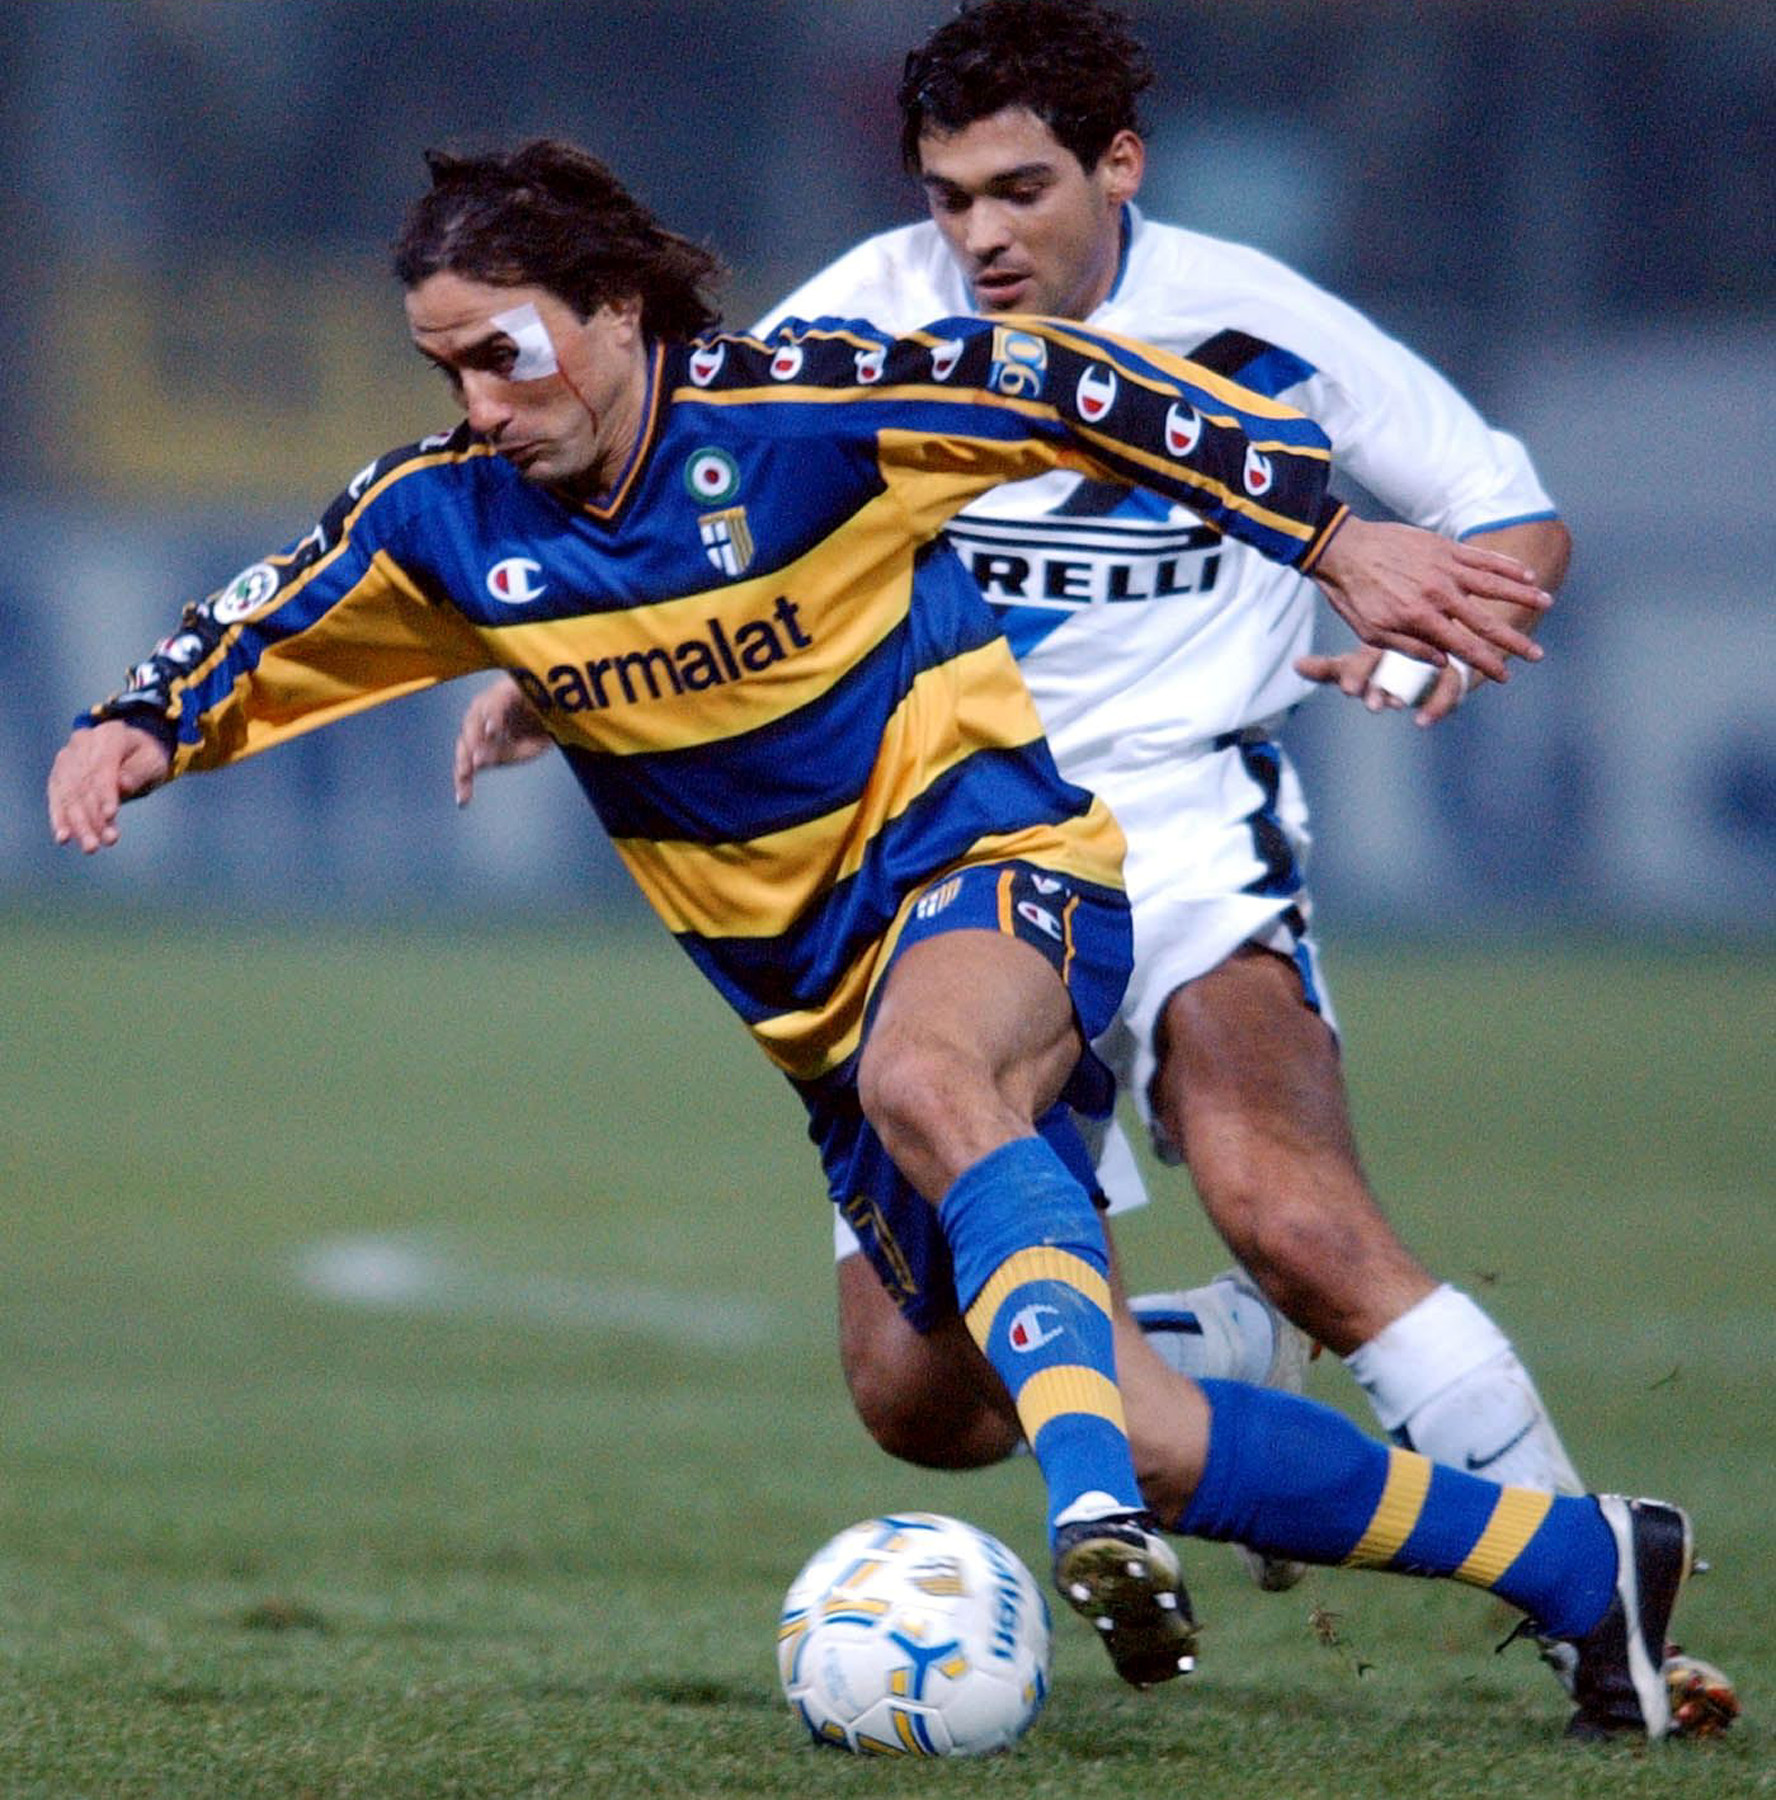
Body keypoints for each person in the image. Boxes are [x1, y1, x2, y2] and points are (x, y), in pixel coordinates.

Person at [50, 137, 1699, 1740]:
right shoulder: (456, 512)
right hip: (815, 1013)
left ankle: (1094, 1512)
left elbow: (1081, 391)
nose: (480, 402)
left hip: (999, 871)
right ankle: (1580, 1560)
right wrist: (140, 725)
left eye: (505, 352)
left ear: (618, 307)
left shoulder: (812, 407)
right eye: (449, 370)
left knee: (944, 1085)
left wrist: (1335, 539)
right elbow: (277, 604)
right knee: (925, 1404)